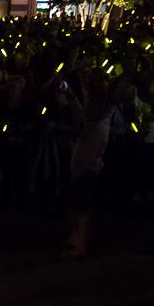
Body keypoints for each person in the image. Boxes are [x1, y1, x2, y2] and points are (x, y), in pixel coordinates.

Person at [63, 73, 111, 257]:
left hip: (86, 170)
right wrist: (71, 95)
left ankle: (80, 244)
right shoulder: (96, 117)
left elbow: (81, 114)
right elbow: (81, 112)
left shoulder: (97, 125)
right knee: (75, 206)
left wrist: (81, 171)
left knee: (80, 209)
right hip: (82, 169)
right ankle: (75, 238)